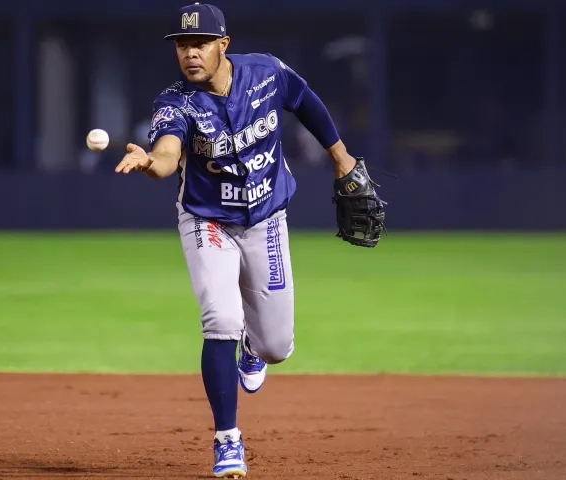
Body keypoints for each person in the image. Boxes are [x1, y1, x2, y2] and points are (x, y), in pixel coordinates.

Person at [115, 3, 385, 477]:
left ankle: (253, 347)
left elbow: (305, 100)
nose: (190, 53)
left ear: (224, 45)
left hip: (266, 217)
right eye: (182, 44)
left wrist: (341, 157)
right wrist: (152, 162)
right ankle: (228, 441)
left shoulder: (266, 74)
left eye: (199, 43)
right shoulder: (175, 102)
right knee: (219, 317)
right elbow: (167, 152)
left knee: (277, 346)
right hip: (207, 220)